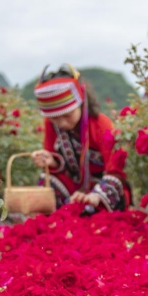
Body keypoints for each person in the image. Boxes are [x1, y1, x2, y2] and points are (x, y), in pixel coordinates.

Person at [32, 65, 131, 212]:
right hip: (73, 188)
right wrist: (51, 162)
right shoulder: (50, 124)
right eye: (55, 119)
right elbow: (57, 164)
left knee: (95, 207)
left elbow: (116, 169)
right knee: (45, 181)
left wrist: (96, 196)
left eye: (67, 115)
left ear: (81, 102)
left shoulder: (101, 124)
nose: (62, 123)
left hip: (102, 187)